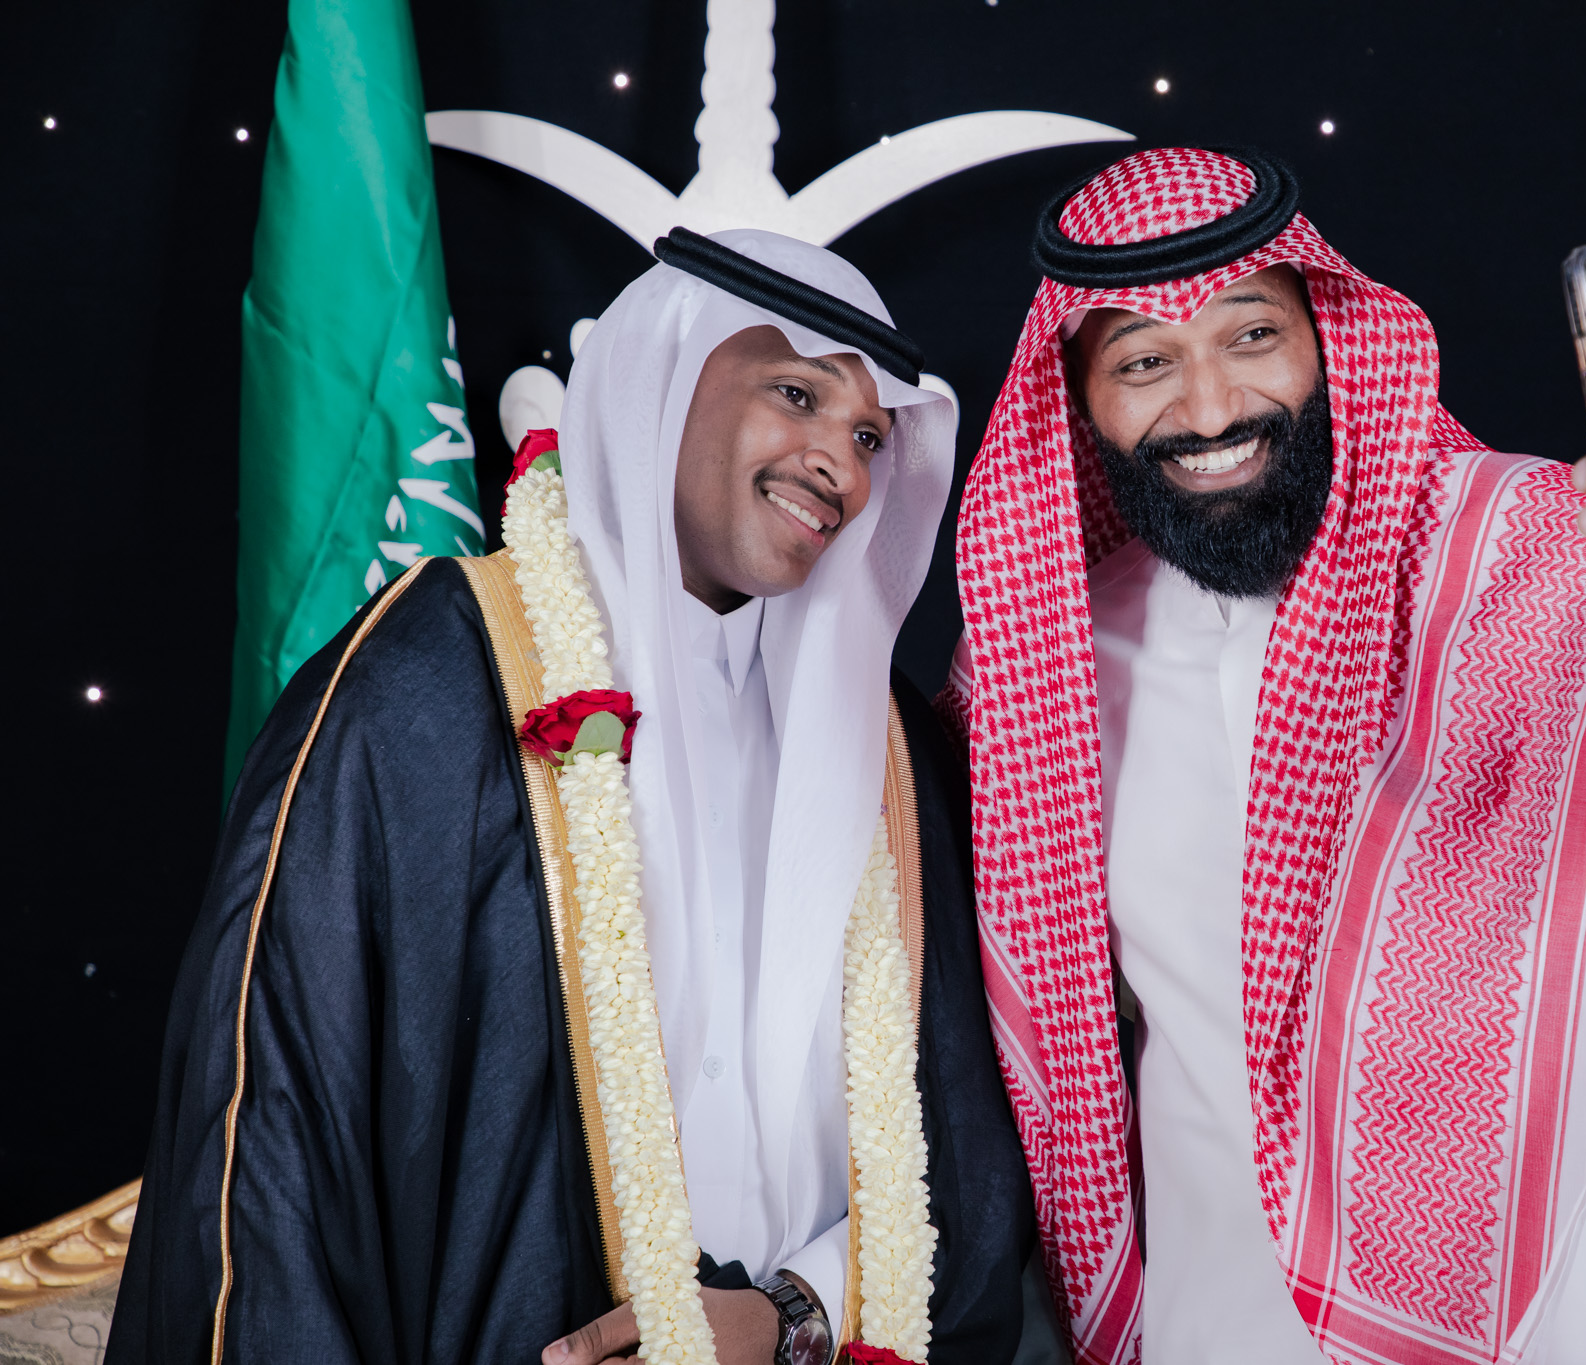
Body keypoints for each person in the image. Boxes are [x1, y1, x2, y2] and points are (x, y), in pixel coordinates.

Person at [944, 148, 1586, 1364]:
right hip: (1228, 1314)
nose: (1210, 408)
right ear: (1079, 398)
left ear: (1329, 338)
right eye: (1143, 363)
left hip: (1585, 1305)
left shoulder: (1563, 552)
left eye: (1251, 336)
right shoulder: (1041, 658)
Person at [111, 228, 1034, 1365]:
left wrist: (795, 1314)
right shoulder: (431, 686)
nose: (838, 468)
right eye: (795, 395)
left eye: (867, 437)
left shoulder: (885, 748)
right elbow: (277, 1137)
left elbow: (963, 1154)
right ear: (663, 379)